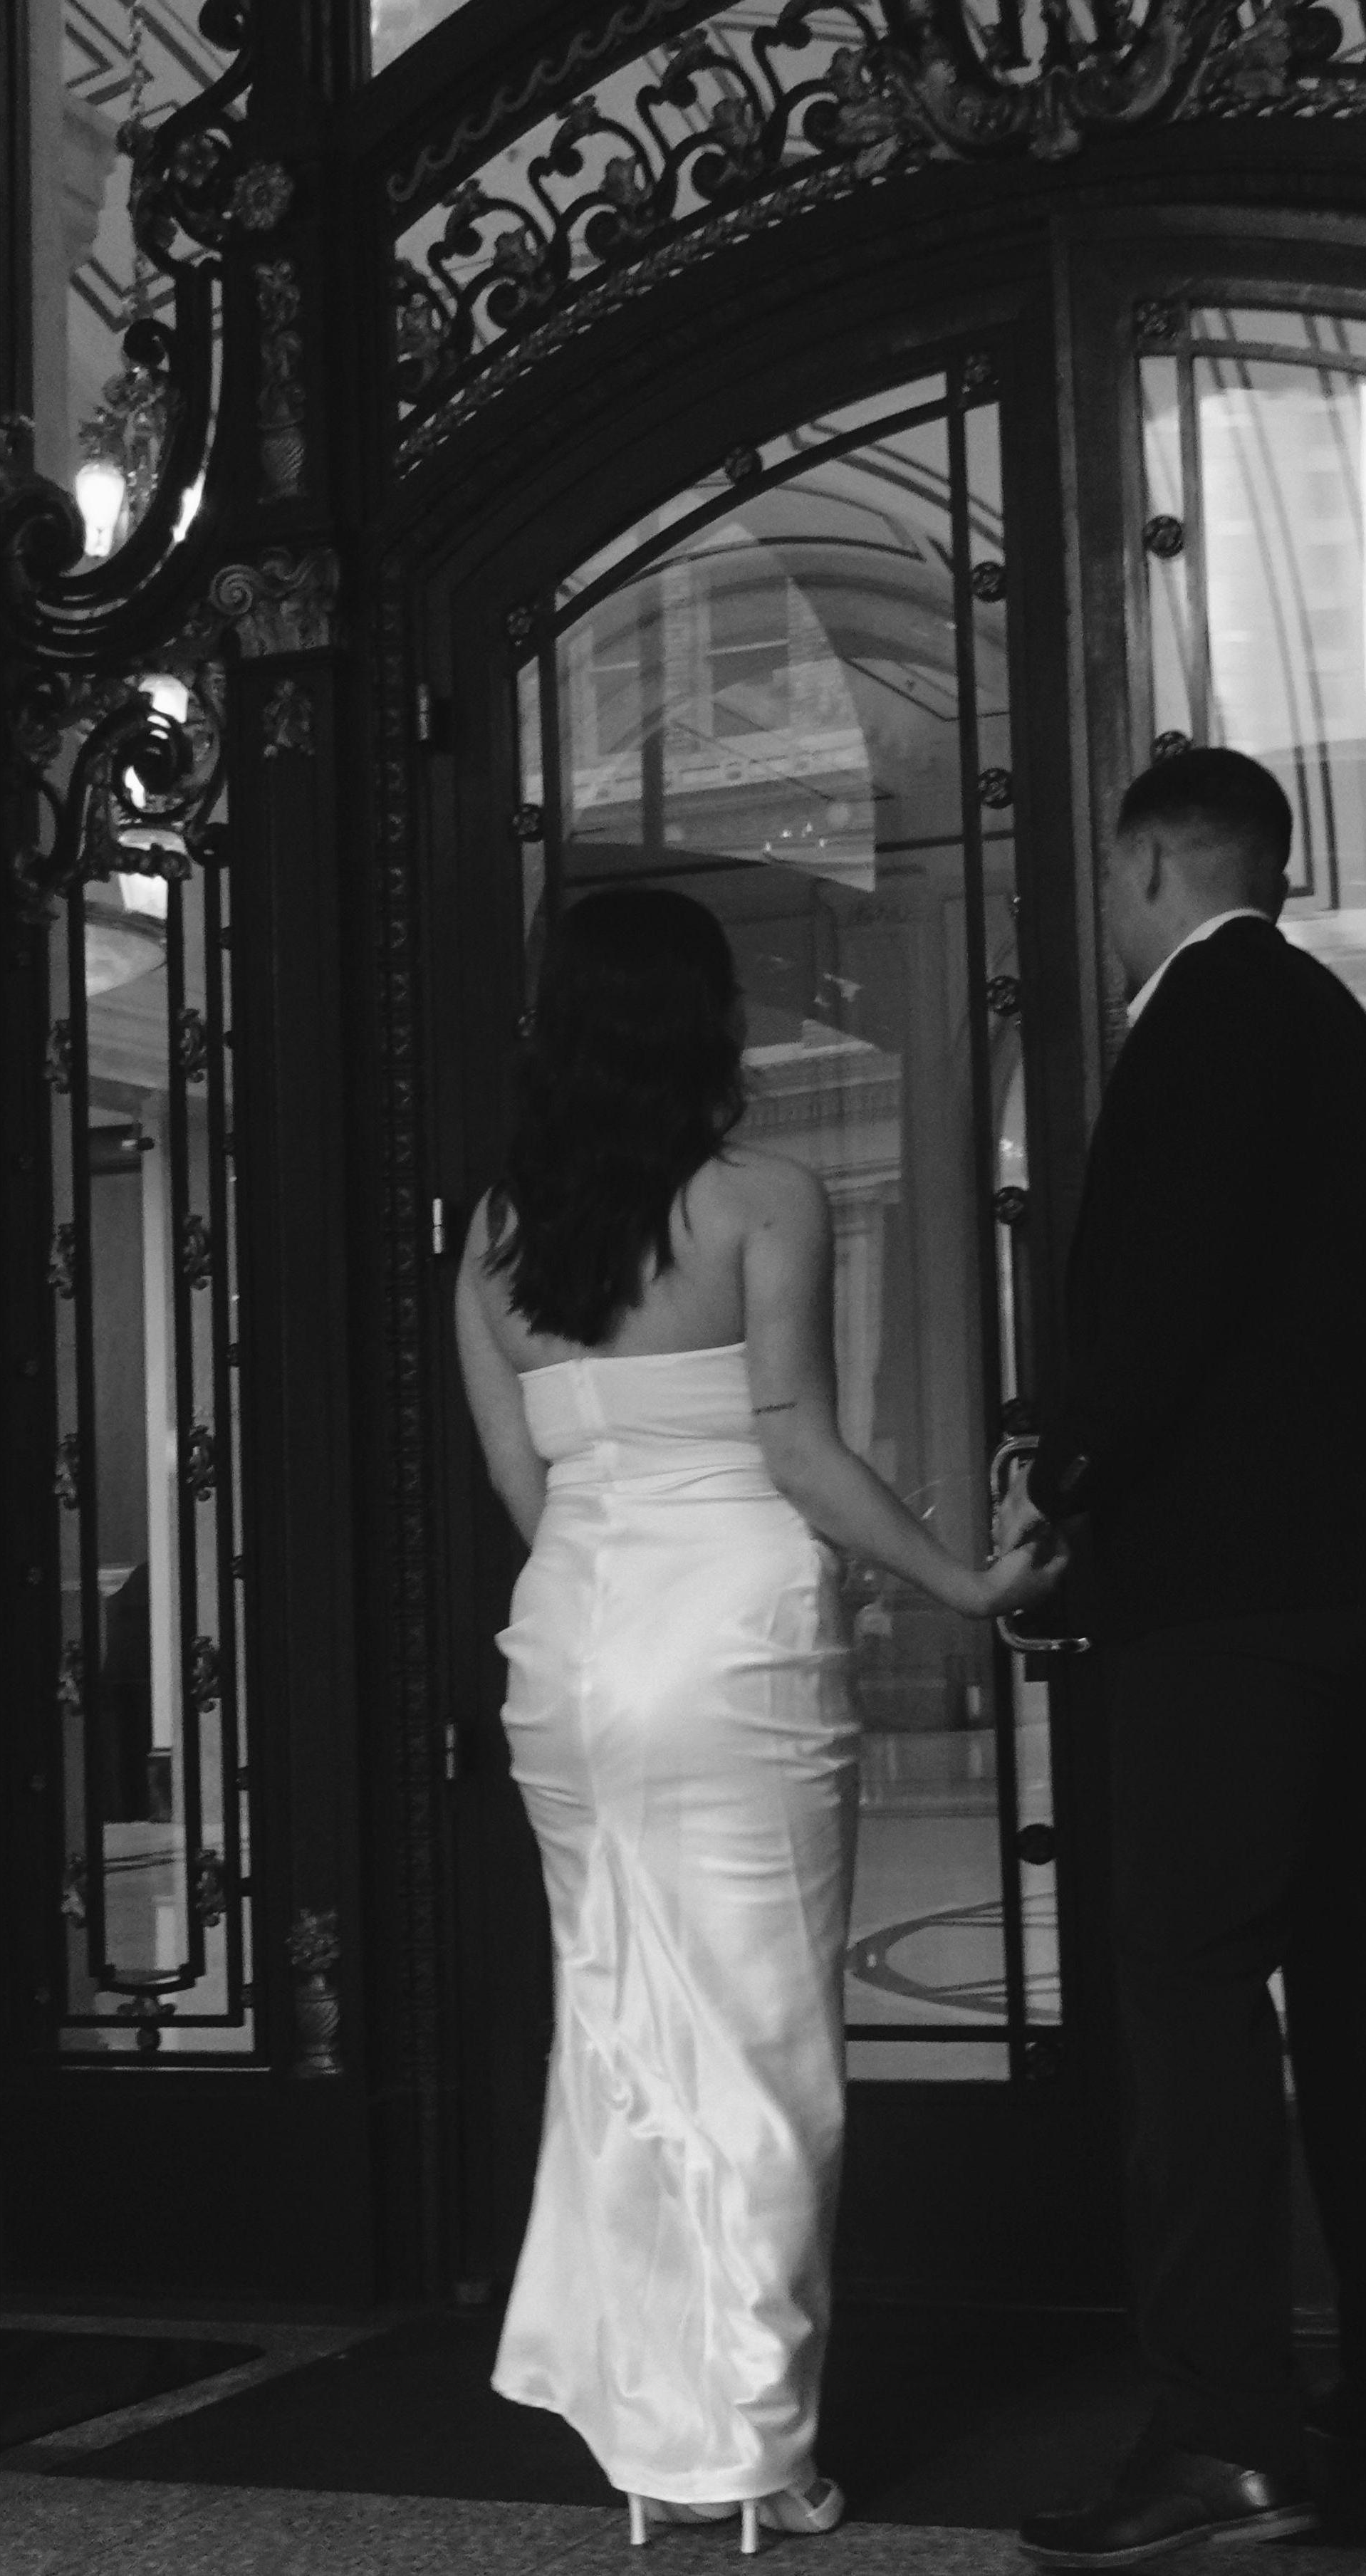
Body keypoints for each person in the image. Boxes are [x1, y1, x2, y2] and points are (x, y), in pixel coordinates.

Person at [452, 885, 1066, 2550]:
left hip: (568, 1642)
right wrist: (959, 1579)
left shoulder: (498, 1230)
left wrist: (609, 1590)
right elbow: (795, 1446)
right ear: (704, 1022)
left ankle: (648, 2436)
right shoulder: (761, 1199)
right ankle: (752, 2444)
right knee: (761, 2040)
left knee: (618, 2025)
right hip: (729, 1639)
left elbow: (520, 1473)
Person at [998, 749, 1366, 2568]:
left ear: (1146, 861)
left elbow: (1164, 1296)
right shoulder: (1337, 1027)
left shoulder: (1193, 1024)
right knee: (1356, 1956)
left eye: (1108, 873)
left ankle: (1221, 2433)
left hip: (1235, 1584)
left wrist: (1061, 1470)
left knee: (1186, 1983)